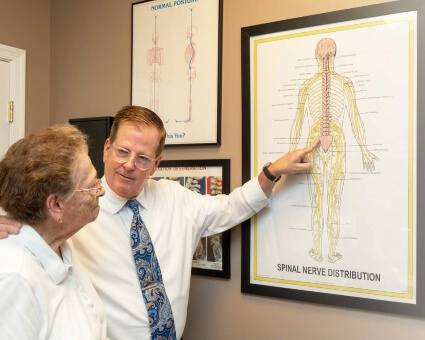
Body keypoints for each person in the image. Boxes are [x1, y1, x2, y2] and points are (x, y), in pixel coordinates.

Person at [0, 105, 319, 339]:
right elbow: (31, 202)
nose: (128, 165)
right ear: (108, 149)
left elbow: (232, 206)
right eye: (122, 152)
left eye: (142, 158)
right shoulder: (80, 211)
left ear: (156, 163)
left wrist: (272, 172)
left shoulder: (177, 200)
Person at [0, 125, 107, 338]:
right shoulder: (14, 278)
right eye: (91, 186)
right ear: (56, 205)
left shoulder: (58, 246)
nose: (101, 190)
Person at [288, 38, 378, 263]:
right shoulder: (326, 84)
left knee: (323, 199)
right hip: (327, 139)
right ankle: (327, 252)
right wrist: (291, 153)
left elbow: (354, 117)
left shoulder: (313, 85)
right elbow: (299, 120)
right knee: (327, 199)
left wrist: (365, 149)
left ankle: (322, 251)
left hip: (326, 138)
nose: (326, 59)